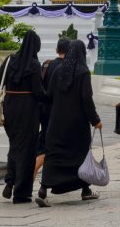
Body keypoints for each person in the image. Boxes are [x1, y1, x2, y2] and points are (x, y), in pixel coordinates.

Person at [37, 39, 103, 206]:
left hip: (57, 121)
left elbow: (49, 94)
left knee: (53, 155)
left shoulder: (58, 70)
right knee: (80, 155)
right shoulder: (83, 72)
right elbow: (86, 99)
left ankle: (43, 190)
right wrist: (95, 120)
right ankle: (85, 190)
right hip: (77, 124)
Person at [0, 29, 45, 204]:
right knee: (27, 150)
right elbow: (38, 92)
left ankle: (10, 180)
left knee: (15, 145)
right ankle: (21, 192)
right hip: (28, 108)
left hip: (10, 106)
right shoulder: (33, 65)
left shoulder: (9, 60)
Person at [34, 39, 70, 188]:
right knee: (51, 145)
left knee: (46, 141)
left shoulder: (46, 64)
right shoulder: (66, 67)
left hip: (44, 109)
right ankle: (35, 170)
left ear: (57, 49)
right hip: (58, 111)